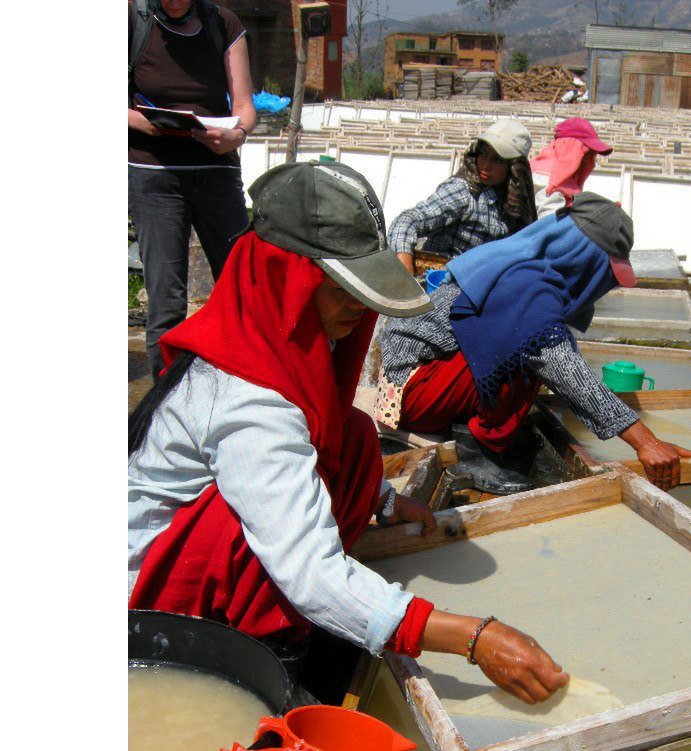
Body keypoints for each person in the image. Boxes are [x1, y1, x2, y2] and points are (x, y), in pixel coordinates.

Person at [128, 161, 569, 707]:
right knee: (255, 531)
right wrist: (473, 638)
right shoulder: (247, 400)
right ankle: (265, 656)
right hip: (159, 602)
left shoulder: (272, 345)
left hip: (226, 543)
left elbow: (315, 449)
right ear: (283, 279)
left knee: (353, 434)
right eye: (340, 287)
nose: (359, 306)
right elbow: (308, 568)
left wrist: (385, 501)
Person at [374, 194, 691, 495]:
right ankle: (478, 452)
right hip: (412, 391)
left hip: (417, 380)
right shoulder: (528, 284)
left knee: (540, 341)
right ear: (584, 259)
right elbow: (567, 371)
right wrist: (644, 441)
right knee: (538, 346)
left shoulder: (526, 264)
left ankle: (487, 436)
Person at [128, 0, 257, 380]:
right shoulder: (131, 22)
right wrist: (142, 122)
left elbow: (245, 107)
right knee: (167, 303)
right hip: (155, 175)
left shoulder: (223, 24)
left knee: (244, 291)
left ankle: (247, 393)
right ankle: (164, 411)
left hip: (216, 171)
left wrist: (237, 135)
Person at [388, 119, 537, 274]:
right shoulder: (464, 192)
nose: (486, 166)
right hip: (442, 285)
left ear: (514, 169)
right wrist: (404, 276)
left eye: (497, 160)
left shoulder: (514, 207)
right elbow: (406, 221)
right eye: (483, 154)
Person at [530, 117, 613, 218]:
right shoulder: (549, 180)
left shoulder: (546, 171)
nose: (587, 159)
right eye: (585, 152)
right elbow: (550, 226)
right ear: (569, 149)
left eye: (591, 154)